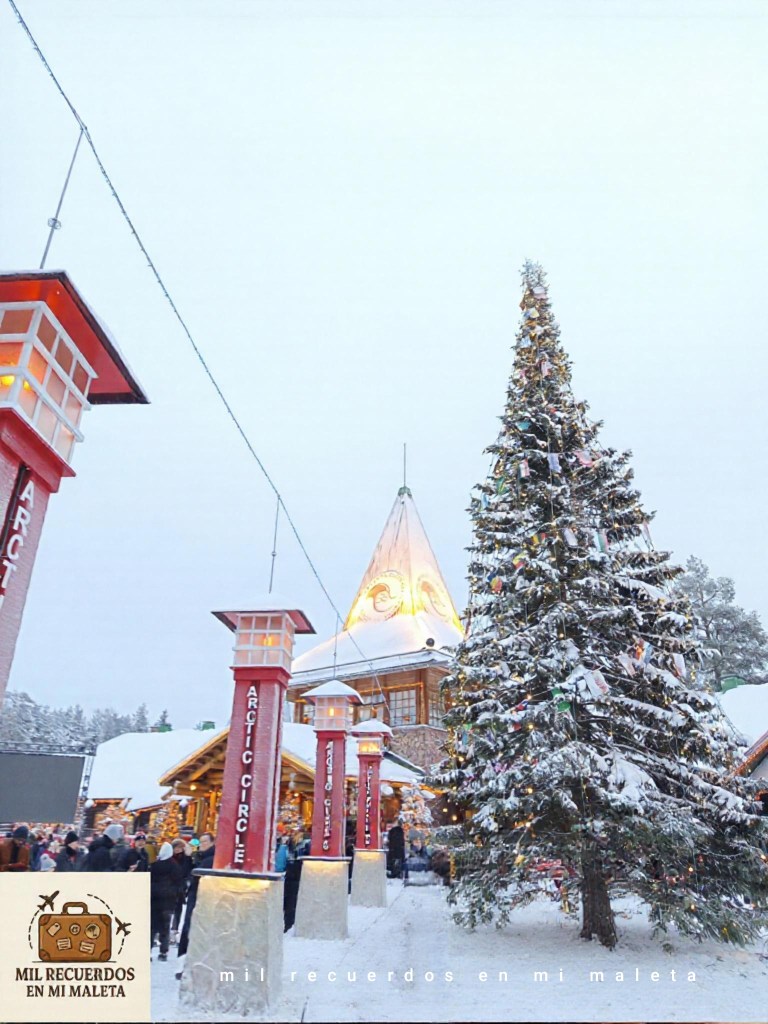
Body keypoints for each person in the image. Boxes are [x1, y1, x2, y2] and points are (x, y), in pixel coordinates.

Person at [176, 832, 215, 970]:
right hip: (196, 894)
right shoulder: (202, 856)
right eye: (201, 842)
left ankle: (186, 956)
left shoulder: (209, 859)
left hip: (201, 896)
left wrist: (190, 858)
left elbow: (195, 872)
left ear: (212, 843)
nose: (202, 844)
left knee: (191, 925)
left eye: (205, 842)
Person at [150, 842, 184, 962]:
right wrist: (178, 898)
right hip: (168, 901)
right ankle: (163, 952)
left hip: (154, 900)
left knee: (152, 927)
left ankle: (148, 951)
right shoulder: (175, 866)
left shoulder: (155, 866)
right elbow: (179, 883)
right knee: (165, 927)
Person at [170, 839, 194, 943]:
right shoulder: (169, 858)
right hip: (169, 886)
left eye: (180, 847)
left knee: (177, 909)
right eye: (176, 847)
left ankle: (174, 930)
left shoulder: (186, 859)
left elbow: (187, 871)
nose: (178, 850)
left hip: (180, 888)